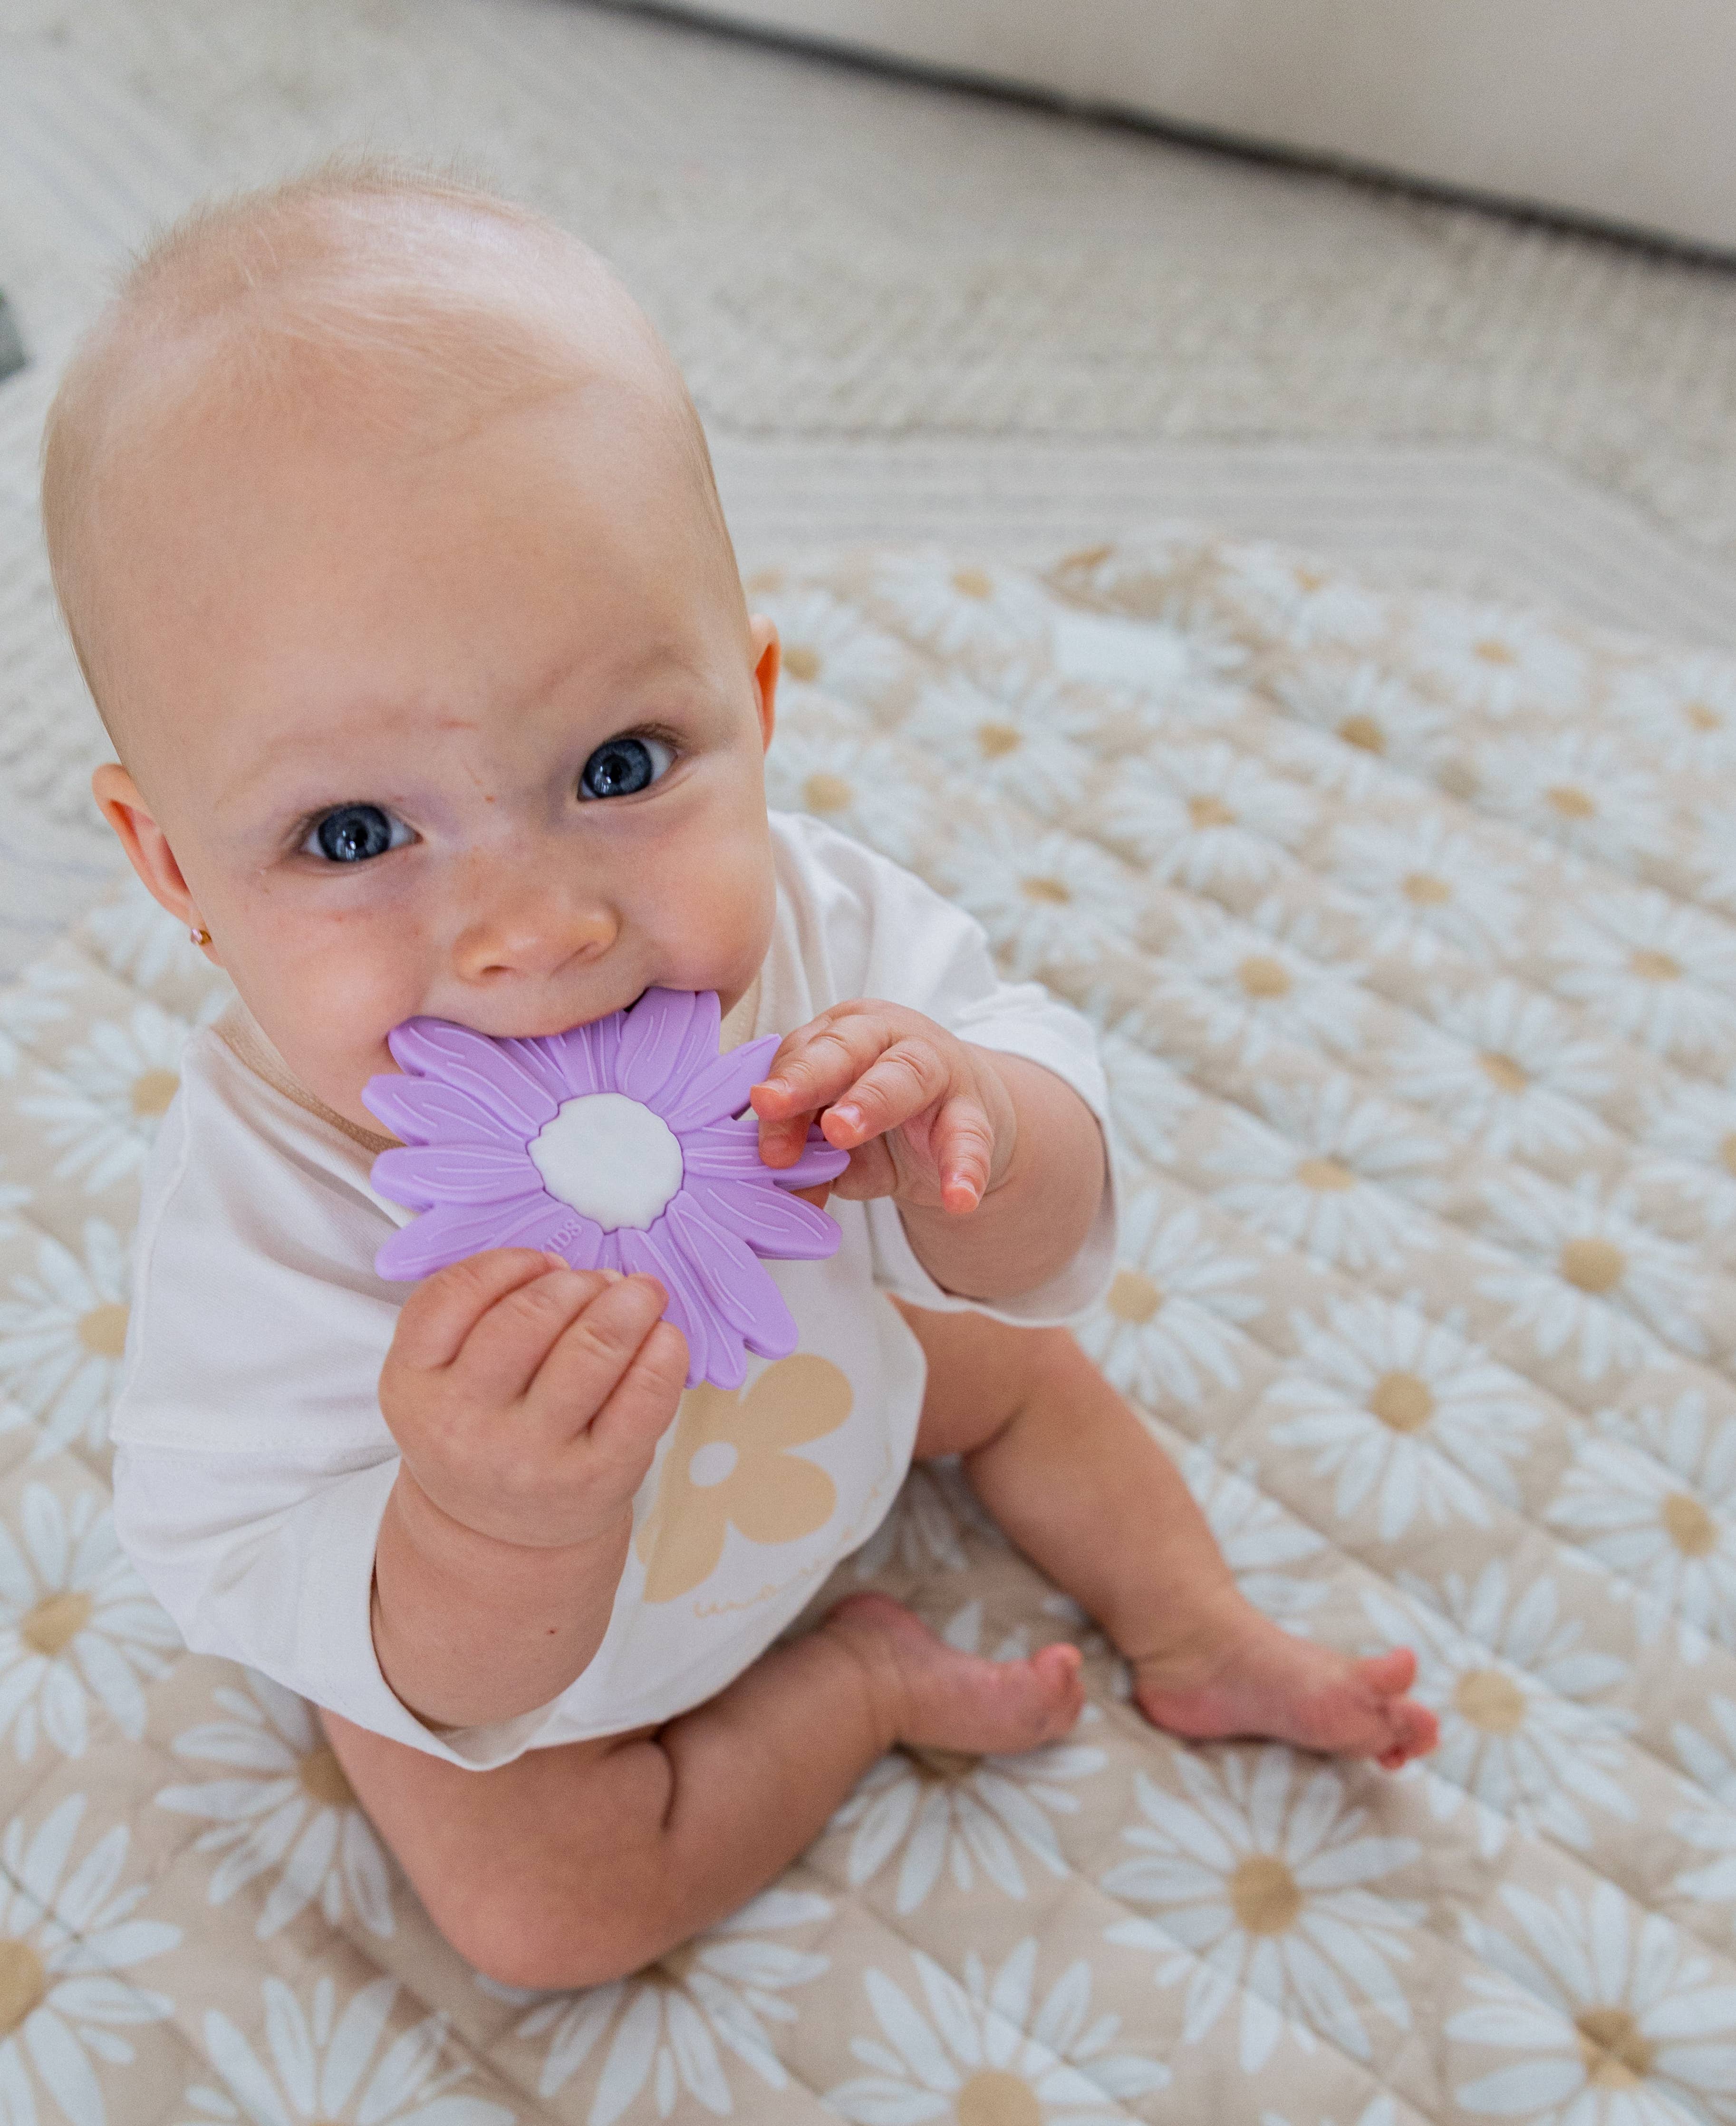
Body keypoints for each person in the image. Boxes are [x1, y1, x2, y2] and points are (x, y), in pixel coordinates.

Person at [42, 158, 1437, 1991]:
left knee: (1019, 1373)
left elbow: (1054, 1199)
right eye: (354, 829)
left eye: (621, 764)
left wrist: (973, 1125)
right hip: (536, 1685)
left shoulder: (801, 925)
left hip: (822, 1400)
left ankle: (1198, 1621)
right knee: (547, 1916)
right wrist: (482, 1517)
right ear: (178, 878)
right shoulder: (267, 1201)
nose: (532, 928)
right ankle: (858, 1687)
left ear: (752, 701)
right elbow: (266, 1569)